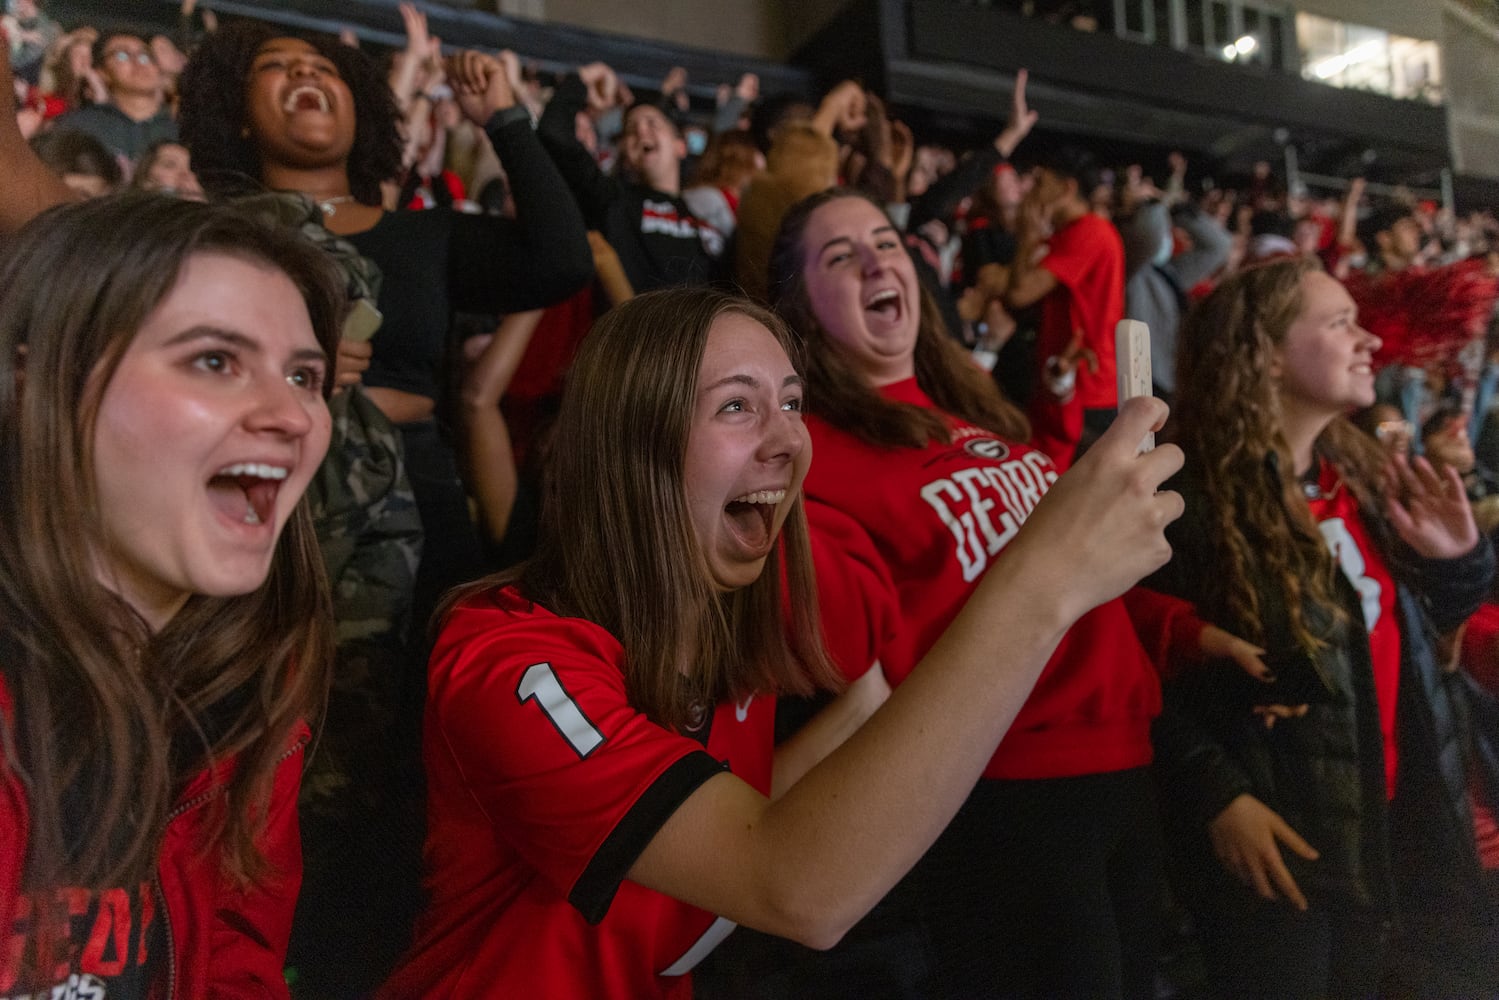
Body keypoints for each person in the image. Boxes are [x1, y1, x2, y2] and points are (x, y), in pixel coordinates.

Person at [378, 286, 1185, 998]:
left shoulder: (723, 622)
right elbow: (796, 886)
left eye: (792, 402)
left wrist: (879, 699)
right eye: (737, 405)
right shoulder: (510, 661)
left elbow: (747, 806)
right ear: (631, 444)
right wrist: (1042, 582)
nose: (787, 439)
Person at [750, 188, 1258, 1000]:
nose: (880, 260)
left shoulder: (973, 415)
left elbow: (1082, 575)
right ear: (798, 309)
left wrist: (1185, 634)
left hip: (1126, 771)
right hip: (1006, 803)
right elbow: (864, 668)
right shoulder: (808, 457)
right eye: (840, 256)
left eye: (887, 240)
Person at [0, 193, 340, 997]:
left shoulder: (252, 689)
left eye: (305, 375)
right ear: (35, 377)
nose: (292, 414)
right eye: (215, 360)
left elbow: (238, 963)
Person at [1151, 255, 1498, 999]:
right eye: (1341, 323)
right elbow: (1134, 665)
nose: (1369, 340)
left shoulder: (1358, 477)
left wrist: (1458, 562)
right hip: (1281, 853)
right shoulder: (1188, 497)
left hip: (1387, 834)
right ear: (1265, 354)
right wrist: (1216, 794)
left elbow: (1404, 644)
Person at [1004, 145, 1125, 470]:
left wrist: (1027, 237)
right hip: (1063, 381)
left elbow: (1018, 293)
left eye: (1041, 181)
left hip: (1085, 390)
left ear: (1067, 188)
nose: (1032, 189)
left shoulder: (1089, 232)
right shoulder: (1068, 234)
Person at [52, 32, 176, 165]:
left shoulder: (184, 131)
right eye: (122, 55)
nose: (138, 62)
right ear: (102, 72)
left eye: (145, 56)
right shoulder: (78, 127)